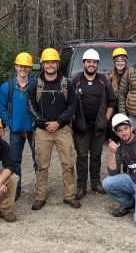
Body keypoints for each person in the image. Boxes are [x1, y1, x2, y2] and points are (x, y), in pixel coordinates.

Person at [27, 48, 80, 210]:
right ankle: (40, 197)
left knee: (68, 164)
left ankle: (69, 196)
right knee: (41, 165)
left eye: (53, 62)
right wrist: (44, 123)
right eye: (47, 62)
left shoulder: (67, 84)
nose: (50, 65)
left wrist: (58, 122)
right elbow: (30, 107)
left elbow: (72, 105)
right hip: (42, 131)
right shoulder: (35, 85)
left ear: (57, 64)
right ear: (42, 64)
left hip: (63, 129)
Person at [72, 49, 116, 200]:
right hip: (81, 128)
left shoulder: (104, 80)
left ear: (97, 64)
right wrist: (73, 119)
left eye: (94, 62)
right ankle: (81, 186)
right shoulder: (76, 80)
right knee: (82, 157)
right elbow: (69, 102)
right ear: (83, 63)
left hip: (99, 127)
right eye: (89, 61)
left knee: (96, 156)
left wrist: (105, 119)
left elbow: (112, 102)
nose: (91, 64)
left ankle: (95, 183)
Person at [0, 52, 36, 200]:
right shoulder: (6, 87)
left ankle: (40, 193)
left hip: (34, 130)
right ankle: (16, 190)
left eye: (26, 66)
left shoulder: (35, 84)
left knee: (39, 161)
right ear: (16, 66)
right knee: (14, 162)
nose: (23, 69)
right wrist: (9, 123)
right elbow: (1, 108)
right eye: (21, 66)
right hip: (15, 131)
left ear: (30, 68)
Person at [107, 47, 129, 142]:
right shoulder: (109, 77)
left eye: (122, 61)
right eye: (117, 61)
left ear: (126, 61)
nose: (120, 63)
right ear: (114, 62)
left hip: (128, 111)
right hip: (114, 112)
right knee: (115, 138)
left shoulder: (130, 75)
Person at [0, 134, 19, 223]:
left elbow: (10, 165)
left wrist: (0, 181)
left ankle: (5, 209)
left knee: (13, 178)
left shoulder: (3, 144)